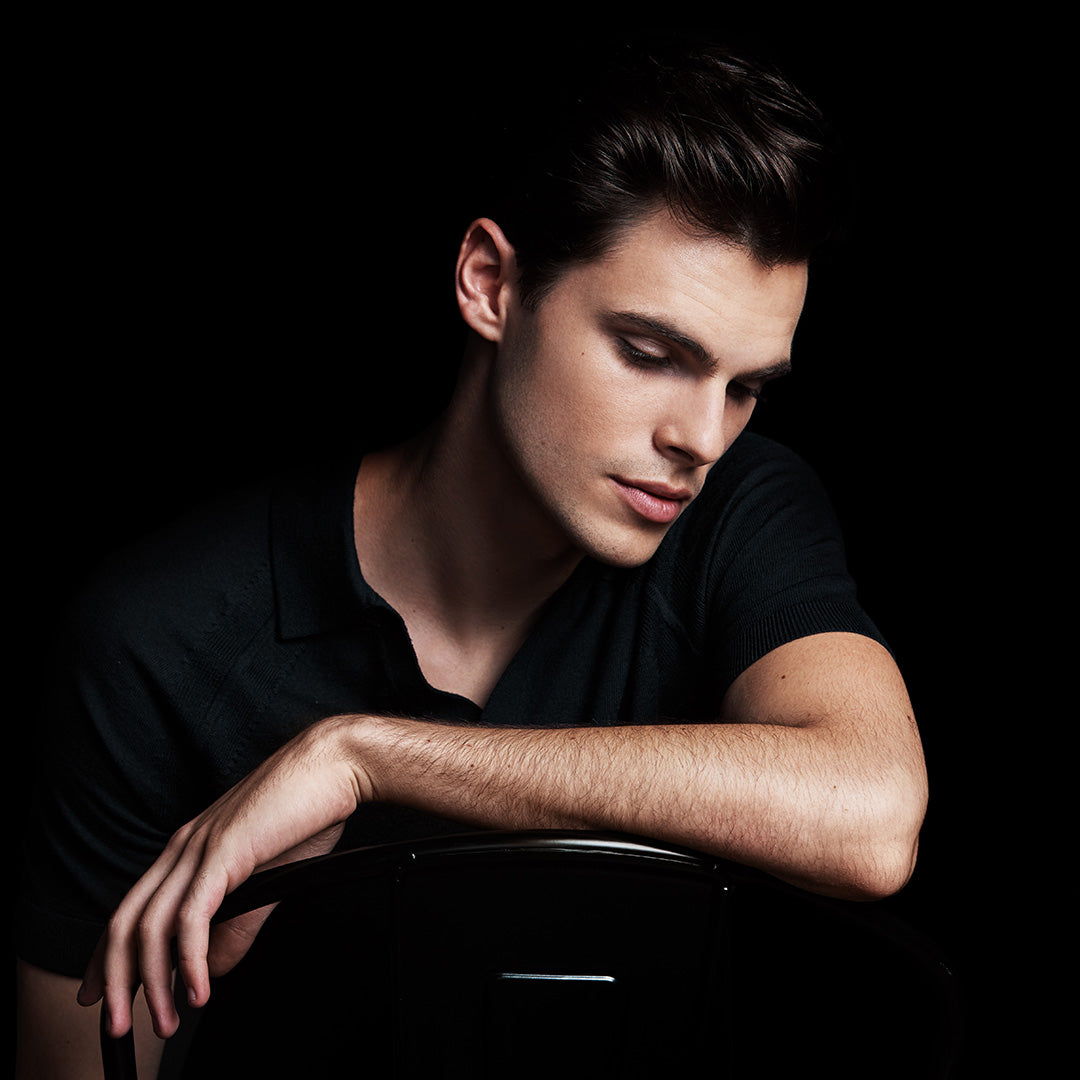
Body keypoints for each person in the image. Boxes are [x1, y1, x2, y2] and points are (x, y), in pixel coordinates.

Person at [15, 34, 928, 1077]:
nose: (702, 438)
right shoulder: (162, 635)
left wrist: (362, 756)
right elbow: (72, 1063)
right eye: (649, 353)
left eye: (745, 386)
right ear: (491, 284)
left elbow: (870, 817)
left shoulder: (740, 514)